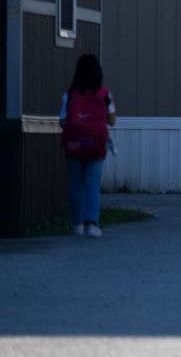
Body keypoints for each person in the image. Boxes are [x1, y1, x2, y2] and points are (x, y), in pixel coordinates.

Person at [60, 54, 116, 238]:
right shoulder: (105, 94)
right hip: (96, 144)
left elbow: (62, 121)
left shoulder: (69, 95)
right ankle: (91, 224)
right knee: (92, 184)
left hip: (74, 144)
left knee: (75, 185)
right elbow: (112, 121)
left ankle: (76, 224)